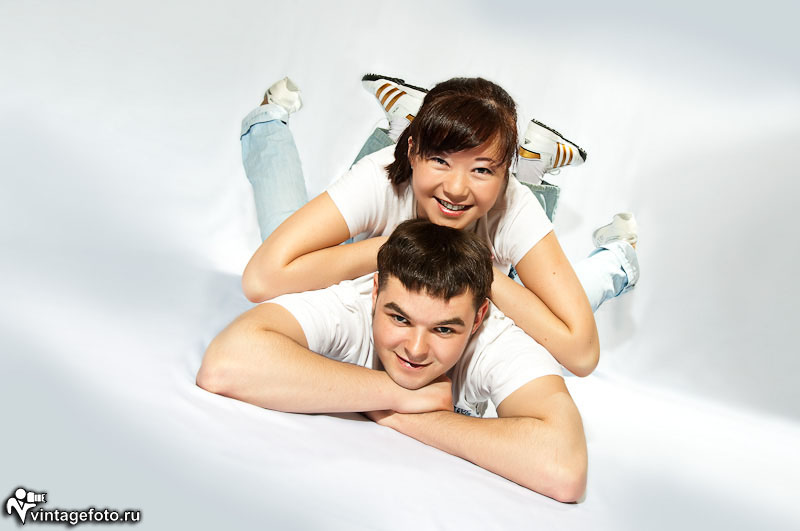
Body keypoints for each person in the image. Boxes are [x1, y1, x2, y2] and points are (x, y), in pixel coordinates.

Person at [239, 75, 639, 377]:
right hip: (379, 256)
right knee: (286, 245)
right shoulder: (380, 177)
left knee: (534, 319)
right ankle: (269, 121)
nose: (457, 189)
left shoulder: (515, 205)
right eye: (441, 160)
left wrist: (481, 271)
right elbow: (261, 280)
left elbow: (581, 353)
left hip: (479, 288)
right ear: (413, 152)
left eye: (482, 169)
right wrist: (393, 246)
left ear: (505, 175)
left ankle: (618, 257)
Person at [197, 219, 587, 502]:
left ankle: (612, 259)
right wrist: (396, 394)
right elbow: (224, 365)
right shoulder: (351, 302)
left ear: (478, 318)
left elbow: (564, 468)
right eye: (400, 319)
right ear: (375, 293)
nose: (415, 349)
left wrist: (401, 416)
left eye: (444, 329)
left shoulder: (497, 336)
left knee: (589, 293)